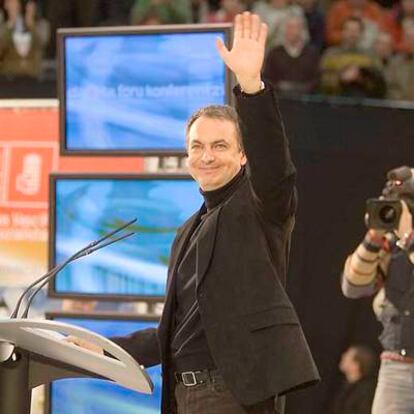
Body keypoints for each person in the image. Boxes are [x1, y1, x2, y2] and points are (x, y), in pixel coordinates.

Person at [70, 12, 320, 414]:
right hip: (184, 396)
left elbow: (274, 166)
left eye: (220, 146)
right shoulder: (188, 230)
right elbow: (170, 336)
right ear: (186, 157)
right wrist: (100, 347)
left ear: (242, 155)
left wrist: (251, 87)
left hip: (237, 394)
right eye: (197, 147)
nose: (207, 156)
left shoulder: (259, 203)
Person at [342, 166, 414, 414]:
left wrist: (408, 237)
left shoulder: (405, 240)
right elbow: (353, 287)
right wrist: (374, 237)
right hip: (396, 365)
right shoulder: (393, 245)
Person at [320, 16, 386, 97]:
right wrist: (340, 78)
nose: (352, 34)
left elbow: (379, 84)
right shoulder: (331, 54)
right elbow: (322, 80)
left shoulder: (371, 56)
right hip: (336, 100)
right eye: (349, 30)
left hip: (365, 101)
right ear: (343, 32)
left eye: (355, 31)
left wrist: (360, 78)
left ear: (361, 33)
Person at [263, 13, 320, 94]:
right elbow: (267, 79)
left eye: (294, 27)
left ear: (302, 30)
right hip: (280, 99)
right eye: (288, 27)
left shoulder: (311, 53)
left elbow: (316, 79)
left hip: (306, 100)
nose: (291, 31)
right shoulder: (274, 53)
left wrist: (301, 89)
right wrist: (280, 87)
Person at [331, 345, 378, 414]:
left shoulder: (365, 393)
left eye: (347, 356)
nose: (343, 356)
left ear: (356, 365)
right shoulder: (345, 387)